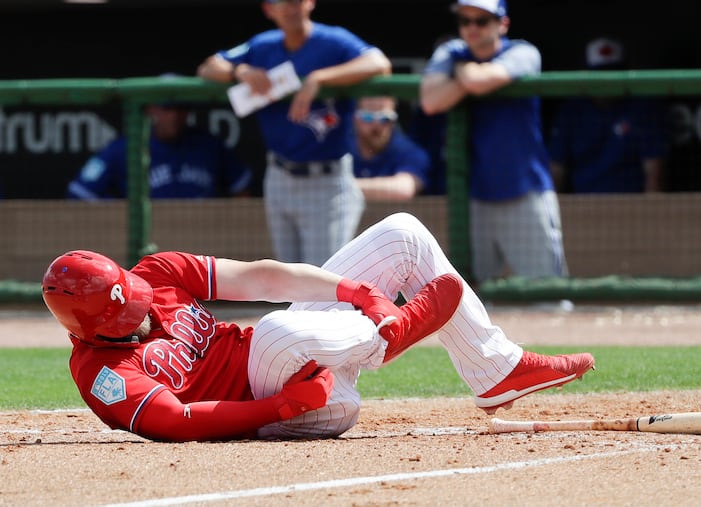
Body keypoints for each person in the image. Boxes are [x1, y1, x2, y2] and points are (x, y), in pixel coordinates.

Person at [41, 212, 595, 442]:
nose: (145, 304)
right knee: (279, 332)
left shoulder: (153, 273)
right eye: (131, 310)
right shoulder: (100, 374)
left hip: (304, 351)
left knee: (402, 232)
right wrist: (282, 407)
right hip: (293, 405)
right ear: (100, 327)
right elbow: (180, 421)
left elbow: (260, 276)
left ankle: (493, 367)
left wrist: (356, 292)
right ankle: (386, 337)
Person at [196, 0, 392, 266]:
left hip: (327, 179)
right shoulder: (263, 45)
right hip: (279, 174)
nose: (291, 8)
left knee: (324, 280)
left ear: (310, 3)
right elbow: (208, 67)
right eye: (283, 2)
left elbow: (379, 62)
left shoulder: (332, 40)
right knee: (290, 280)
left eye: (297, 1)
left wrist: (320, 78)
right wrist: (239, 70)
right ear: (269, 9)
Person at [419, 0, 568, 284]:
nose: (472, 28)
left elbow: (480, 80)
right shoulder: (450, 51)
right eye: (466, 21)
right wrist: (468, 76)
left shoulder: (523, 52)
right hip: (473, 196)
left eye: (482, 21)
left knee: (548, 292)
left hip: (525, 191)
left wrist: (462, 70)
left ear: (503, 24)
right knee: (470, 297)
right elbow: (430, 101)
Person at [547, 37, 669, 193]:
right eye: (600, 74)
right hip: (582, 206)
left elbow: (654, 175)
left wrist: (651, 215)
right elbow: (556, 171)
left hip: (631, 208)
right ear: (587, 75)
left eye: (613, 73)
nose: (607, 81)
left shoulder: (643, 108)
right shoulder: (572, 110)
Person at [67, 102, 253, 199]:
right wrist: (120, 216)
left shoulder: (208, 143)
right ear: (151, 109)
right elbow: (80, 192)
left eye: (180, 108)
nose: (174, 115)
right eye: (167, 108)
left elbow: (242, 188)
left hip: (202, 235)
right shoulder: (124, 147)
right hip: (150, 239)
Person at [349, 96, 431, 201]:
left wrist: (344, 186)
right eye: (367, 117)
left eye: (385, 118)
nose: (376, 125)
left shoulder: (409, 152)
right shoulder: (341, 149)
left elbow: (404, 189)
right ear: (354, 118)